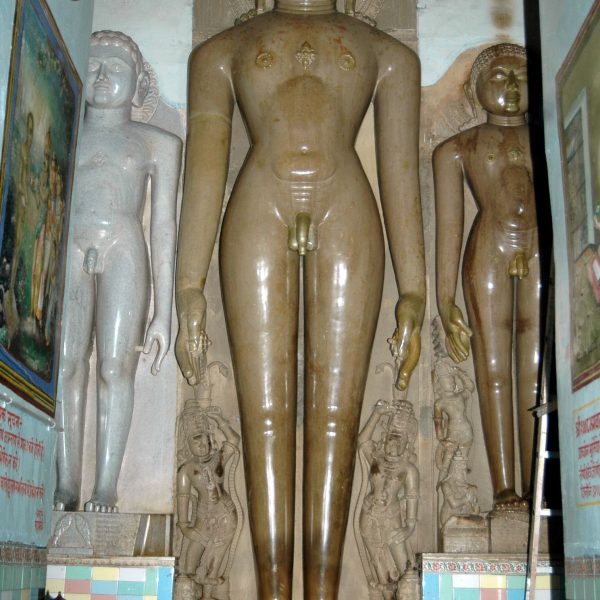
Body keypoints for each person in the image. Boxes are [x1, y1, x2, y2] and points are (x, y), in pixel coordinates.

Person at [175, 1, 425, 596]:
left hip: (347, 205)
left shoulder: (387, 54)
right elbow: (205, 168)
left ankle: (324, 590)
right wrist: (189, 285)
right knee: (263, 416)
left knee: (337, 418)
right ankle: (271, 588)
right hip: (258, 204)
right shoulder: (220, 53)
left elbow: (401, 175)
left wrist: (413, 289)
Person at [54, 30, 181, 512]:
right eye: (94, 67)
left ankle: (105, 485)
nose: (103, 76)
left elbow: (164, 226)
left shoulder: (157, 143)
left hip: (125, 246)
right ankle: (66, 483)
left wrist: (164, 313)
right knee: (66, 364)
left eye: (117, 68)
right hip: (70, 244)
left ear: (138, 82)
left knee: (114, 366)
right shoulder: (64, 133)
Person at [434, 43, 538, 510]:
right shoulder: (457, 148)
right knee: (493, 368)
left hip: (537, 249)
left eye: (520, 77)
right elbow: (450, 228)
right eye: (498, 76)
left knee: (533, 368)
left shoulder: (548, 140)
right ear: (476, 88)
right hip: (489, 251)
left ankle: (537, 485)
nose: (511, 86)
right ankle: (505, 487)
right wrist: (445, 298)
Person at [175, 406, 241, 600]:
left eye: (204, 438)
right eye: (195, 440)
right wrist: (185, 526)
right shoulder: (187, 470)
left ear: (210, 438)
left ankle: (208, 595)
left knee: (216, 558)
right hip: (204, 516)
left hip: (226, 513)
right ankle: (191, 592)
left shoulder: (218, 459)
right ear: (187, 444)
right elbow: (182, 497)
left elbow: (234, 440)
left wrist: (220, 421)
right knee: (190, 561)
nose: (201, 444)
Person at [357, 400, 419, 600]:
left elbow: (412, 497)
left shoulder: (408, 469)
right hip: (369, 513)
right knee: (377, 563)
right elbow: (363, 441)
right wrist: (377, 414)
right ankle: (385, 596)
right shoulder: (376, 459)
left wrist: (409, 526)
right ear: (384, 440)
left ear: (407, 444)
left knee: (404, 567)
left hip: (392, 518)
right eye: (391, 440)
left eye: (400, 442)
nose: (394, 446)